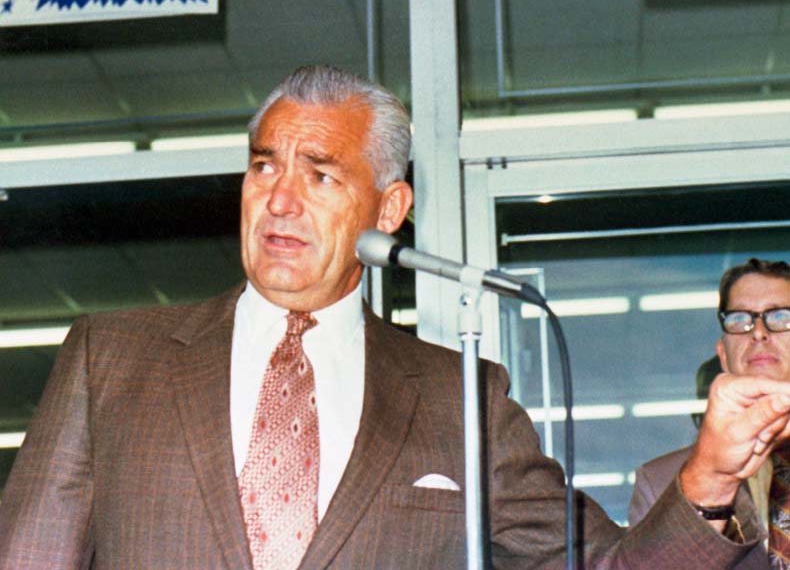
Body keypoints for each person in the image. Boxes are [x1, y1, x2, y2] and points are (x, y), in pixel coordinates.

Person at [1, 66, 790, 569]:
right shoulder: (113, 359)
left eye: (320, 174)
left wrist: (710, 477)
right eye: (264, 166)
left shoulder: (460, 397)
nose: (280, 199)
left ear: (390, 207)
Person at [629, 258, 790, 569]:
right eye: (740, 319)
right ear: (723, 355)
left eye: (780, 316)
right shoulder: (662, 484)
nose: (758, 332)